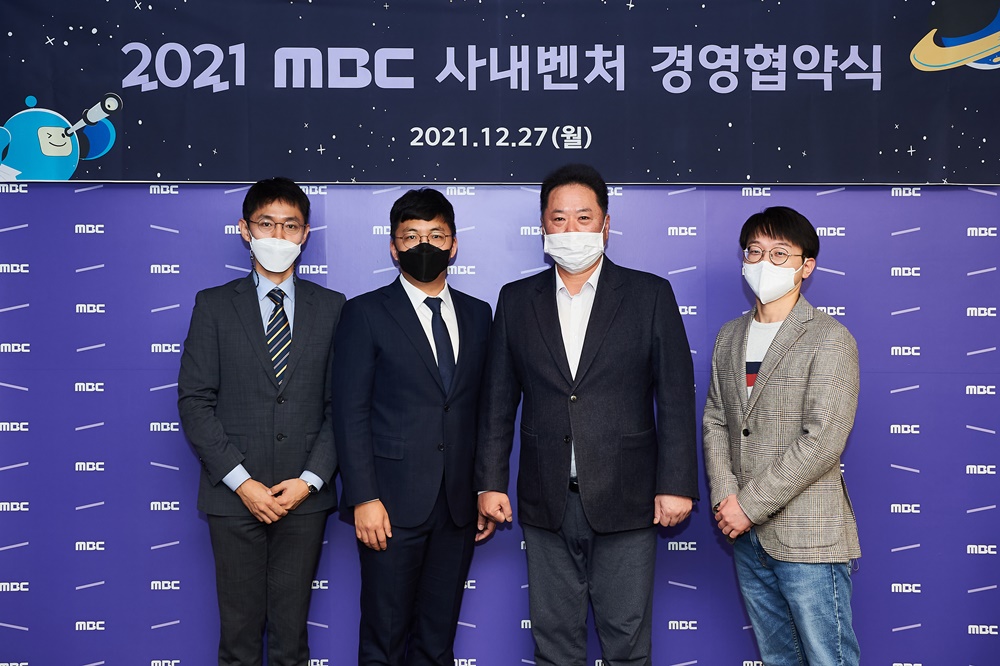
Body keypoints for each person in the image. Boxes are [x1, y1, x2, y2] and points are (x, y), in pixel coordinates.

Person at [476, 164, 698, 666]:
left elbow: (675, 398)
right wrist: (489, 482)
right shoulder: (516, 300)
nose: (571, 229)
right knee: (554, 645)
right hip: (546, 499)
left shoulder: (649, 295)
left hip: (629, 497)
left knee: (627, 645)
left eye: (583, 217)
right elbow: (497, 403)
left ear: (605, 224)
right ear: (543, 226)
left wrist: (677, 483)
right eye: (559, 218)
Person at [177, 177, 345, 665]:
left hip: (303, 499)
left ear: (305, 234)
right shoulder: (213, 305)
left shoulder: (333, 308)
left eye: (290, 225)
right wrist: (242, 483)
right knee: (239, 641)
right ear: (245, 230)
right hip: (234, 498)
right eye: (267, 224)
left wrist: (310, 481)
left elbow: (342, 406)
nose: (278, 235)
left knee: (291, 642)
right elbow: (194, 401)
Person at [331, 188, 492, 666]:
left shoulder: (479, 314)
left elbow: (486, 410)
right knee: (383, 641)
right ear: (393, 246)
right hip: (389, 506)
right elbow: (350, 412)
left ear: (454, 245)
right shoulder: (364, 313)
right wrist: (363, 497)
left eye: (436, 235)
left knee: (437, 643)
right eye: (412, 235)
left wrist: (485, 487)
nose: (425, 245)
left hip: (457, 508)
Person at [702, 206, 861, 665]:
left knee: (829, 658)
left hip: (808, 536)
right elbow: (716, 419)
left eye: (778, 253)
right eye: (754, 252)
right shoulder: (729, 336)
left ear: (806, 266)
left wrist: (748, 506)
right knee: (778, 659)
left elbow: (823, 439)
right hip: (746, 538)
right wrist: (726, 497)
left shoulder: (830, 338)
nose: (763, 262)